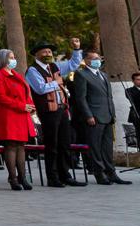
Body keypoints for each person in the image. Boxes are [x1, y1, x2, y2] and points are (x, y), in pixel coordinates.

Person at [24, 39, 85, 188]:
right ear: (36, 55)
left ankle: (65, 175)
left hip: (62, 109)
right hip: (48, 111)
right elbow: (40, 88)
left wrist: (77, 50)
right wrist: (56, 82)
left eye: (50, 51)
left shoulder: (54, 66)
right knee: (52, 145)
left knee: (65, 143)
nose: (48, 54)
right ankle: (52, 177)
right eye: (44, 51)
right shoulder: (32, 70)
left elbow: (72, 65)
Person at [74, 48, 131, 185]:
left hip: (108, 116)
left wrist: (113, 113)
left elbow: (108, 97)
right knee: (95, 146)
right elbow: (81, 98)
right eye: (94, 59)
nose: (97, 61)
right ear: (86, 60)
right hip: (94, 117)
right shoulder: (81, 74)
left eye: (98, 58)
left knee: (107, 147)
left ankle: (111, 173)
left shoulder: (104, 75)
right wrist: (88, 115)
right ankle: (99, 174)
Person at [0, 49, 35, 190]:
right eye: (10, 57)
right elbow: (1, 97)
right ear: (3, 59)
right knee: (11, 146)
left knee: (21, 146)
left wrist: (30, 106)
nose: (13, 60)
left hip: (21, 114)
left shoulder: (17, 75)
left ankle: (22, 177)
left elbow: (26, 92)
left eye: (14, 57)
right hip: (9, 115)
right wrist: (22, 106)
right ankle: (13, 178)